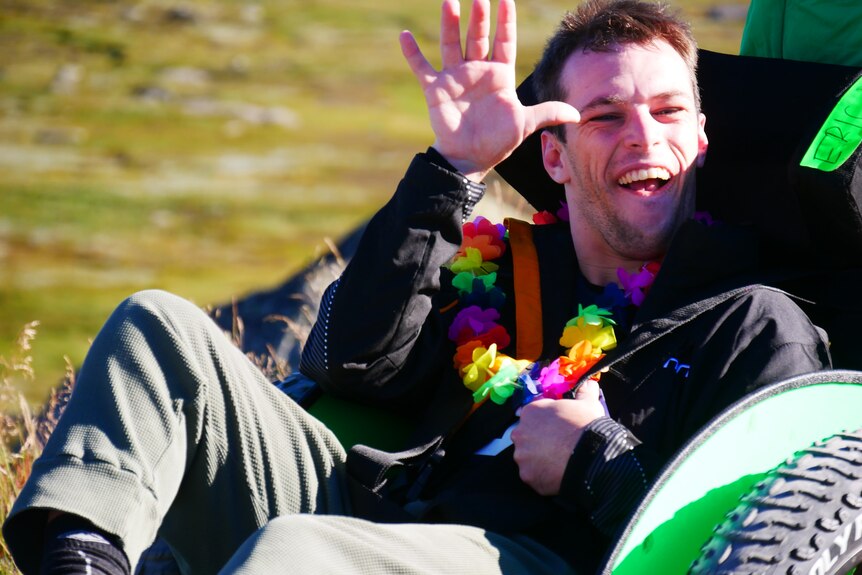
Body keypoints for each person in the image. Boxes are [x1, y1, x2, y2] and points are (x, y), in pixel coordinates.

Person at [3, 0, 832, 574]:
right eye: (606, 117)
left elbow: (757, 537)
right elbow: (349, 361)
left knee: (300, 552)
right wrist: (453, 171)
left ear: (701, 134)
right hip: (383, 495)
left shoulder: (753, 317)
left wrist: (595, 461)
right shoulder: (502, 269)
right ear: (553, 154)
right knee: (158, 329)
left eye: (668, 110)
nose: (642, 136)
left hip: (538, 553)